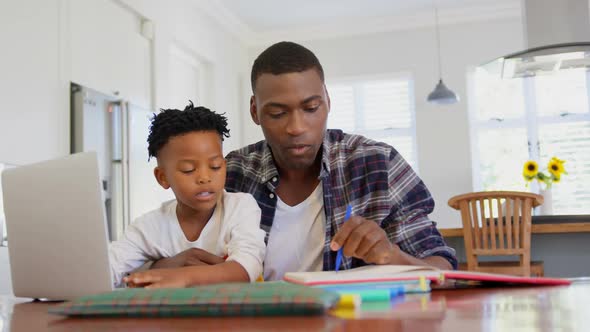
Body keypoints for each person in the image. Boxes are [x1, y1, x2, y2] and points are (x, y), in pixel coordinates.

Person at [224, 41, 457, 281]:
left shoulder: (378, 164)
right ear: (254, 111)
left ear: (327, 100)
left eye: (311, 108)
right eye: (277, 114)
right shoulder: (231, 173)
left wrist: (392, 256)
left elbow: (444, 270)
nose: (296, 127)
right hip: (256, 318)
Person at [110, 102, 266, 288]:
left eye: (215, 166)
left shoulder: (241, 207)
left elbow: (247, 266)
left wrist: (181, 277)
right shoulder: (148, 228)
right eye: (188, 170)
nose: (204, 178)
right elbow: (109, 269)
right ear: (163, 177)